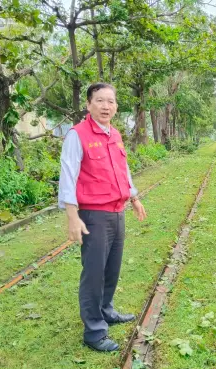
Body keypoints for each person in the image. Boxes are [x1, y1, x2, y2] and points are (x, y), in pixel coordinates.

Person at [58, 83, 147, 352]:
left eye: (110, 101)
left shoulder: (115, 134)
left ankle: (106, 309)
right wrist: (73, 217)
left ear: (116, 106)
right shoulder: (78, 135)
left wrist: (134, 197)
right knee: (94, 273)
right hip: (93, 215)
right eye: (99, 100)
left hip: (116, 212)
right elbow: (68, 175)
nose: (106, 106)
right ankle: (94, 332)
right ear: (89, 104)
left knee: (111, 269)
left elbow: (123, 169)